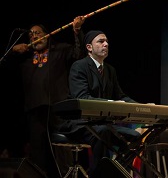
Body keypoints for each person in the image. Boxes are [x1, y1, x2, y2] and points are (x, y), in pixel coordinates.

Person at [8, 16, 85, 178]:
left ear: (48, 35)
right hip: (35, 111)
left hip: (58, 109)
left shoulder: (60, 50)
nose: (34, 36)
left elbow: (79, 54)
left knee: (63, 150)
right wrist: (13, 52)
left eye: (38, 33)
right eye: (31, 35)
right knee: (38, 155)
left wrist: (77, 32)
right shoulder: (25, 58)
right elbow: (4, 66)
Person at [59, 30, 141, 176]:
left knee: (135, 137)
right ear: (89, 47)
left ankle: (112, 172)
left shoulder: (110, 70)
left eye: (107, 41)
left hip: (100, 124)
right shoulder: (79, 66)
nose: (106, 44)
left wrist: (140, 107)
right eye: (101, 41)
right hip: (80, 123)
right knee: (103, 132)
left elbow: (121, 96)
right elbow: (81, 97)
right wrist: (112, 103)